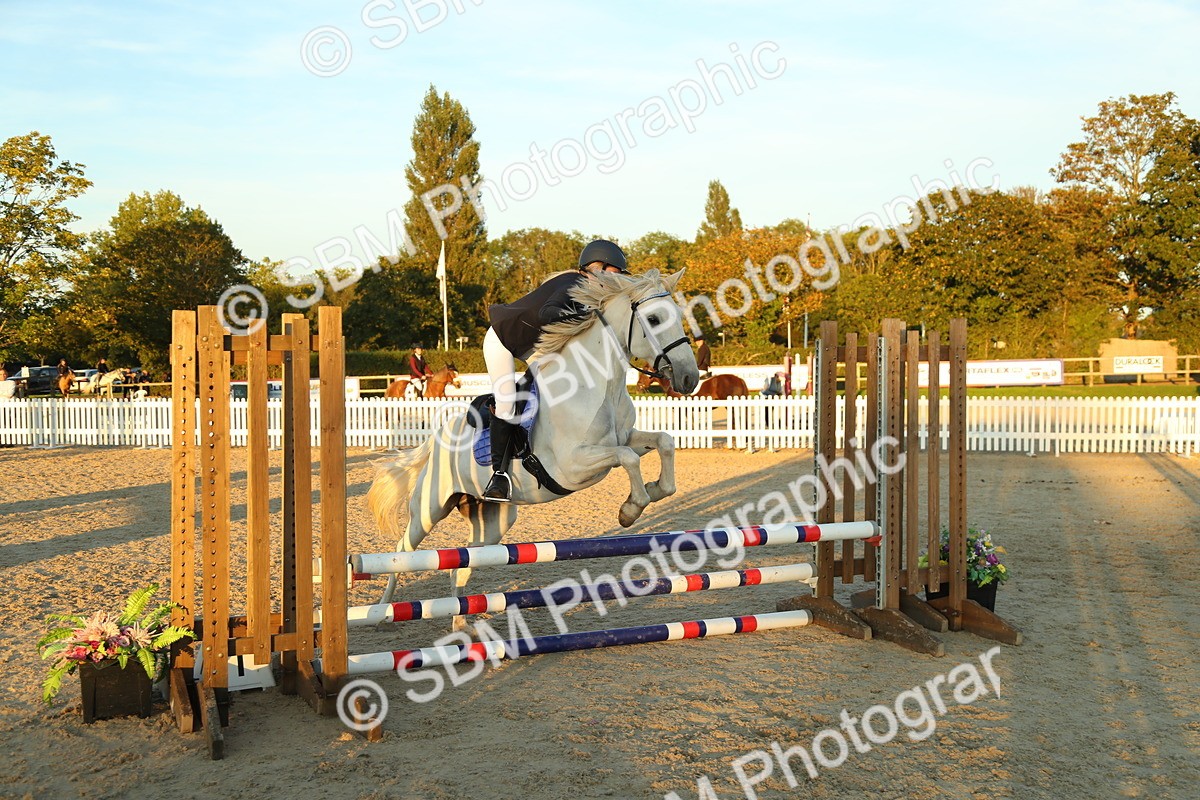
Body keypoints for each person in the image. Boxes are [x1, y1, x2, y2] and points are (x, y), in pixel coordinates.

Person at [481, 239, 630, 502]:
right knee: (506, 403)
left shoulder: (590, 289)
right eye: (617, 274)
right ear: (601, 268)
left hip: (533, 344)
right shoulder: (574, 283)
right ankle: (499, 476)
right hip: (502, 340)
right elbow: (549, 313)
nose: (618, 282)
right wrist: (586, 315)